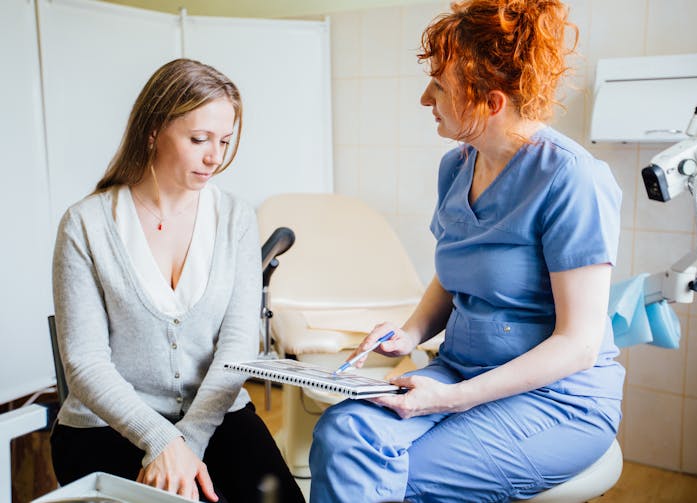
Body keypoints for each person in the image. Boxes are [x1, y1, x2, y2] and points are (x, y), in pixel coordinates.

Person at [309, 1, 624, 501]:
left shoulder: (572, 179)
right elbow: (455, 274)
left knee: (393, 478)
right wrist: (408, 333)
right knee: (340, 433)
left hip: (556, 401)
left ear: (490, 102)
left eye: (439, 87)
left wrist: (453, 399)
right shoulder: (456, 168)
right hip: (459, 370)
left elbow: (579, 344)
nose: (423, 99)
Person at [50, 58, 304, 503]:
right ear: (152, 132)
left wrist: (187, 440)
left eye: (224, 141)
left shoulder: (236, 219)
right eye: (198, 139)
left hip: (215, 415)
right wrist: (160, 440)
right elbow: (86, 363)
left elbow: (238, 343)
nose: (215, 157)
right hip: (107, 426)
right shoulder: (86, 224)